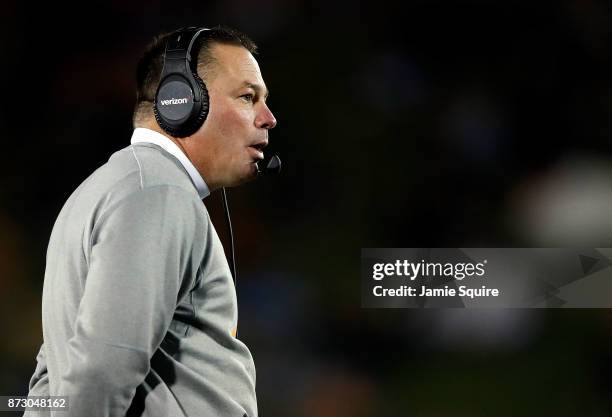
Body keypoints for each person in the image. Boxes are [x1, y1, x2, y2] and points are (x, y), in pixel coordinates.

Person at [24, 25, 277, 417]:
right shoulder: (158, 194)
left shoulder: (107, 189)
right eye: (248, 97)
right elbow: (99, 374)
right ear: (182, 101)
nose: (268, 118)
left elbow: (52, 382)